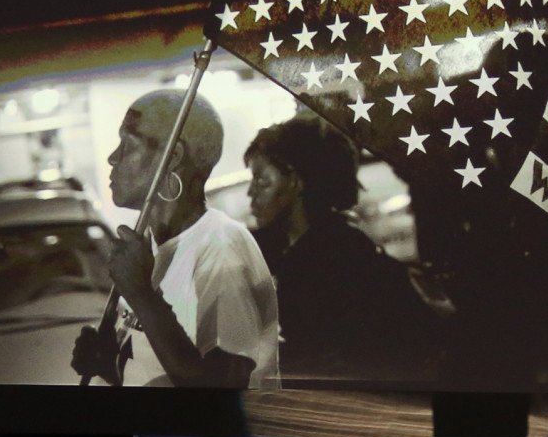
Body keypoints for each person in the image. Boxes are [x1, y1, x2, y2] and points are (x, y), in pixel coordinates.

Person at [70, 90, 280, 388]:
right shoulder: (157, 247)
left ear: (174, 157)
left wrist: (142, 294)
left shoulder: (220, 250)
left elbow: (221, 396)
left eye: (127, 143)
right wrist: (109, 367)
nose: (112, 157)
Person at [244, 115, 436, 383]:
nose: (250, 194)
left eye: (262, 181)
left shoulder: (341, 261)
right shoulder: (270, 252)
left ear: (297, 181)